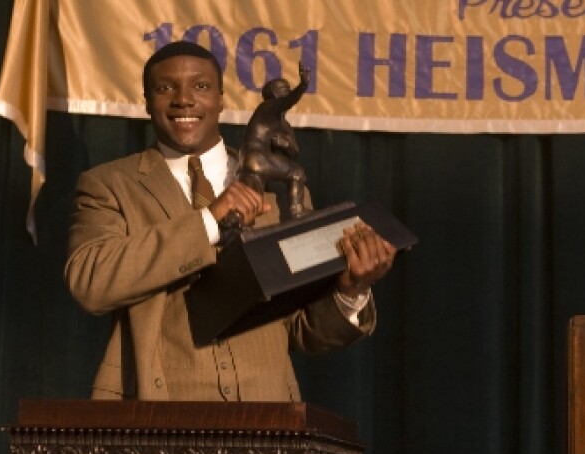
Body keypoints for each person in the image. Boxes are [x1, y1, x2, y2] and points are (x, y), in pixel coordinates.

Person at [64, 41, 396, 401]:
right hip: (153, 413)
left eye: (200, 86)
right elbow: (90, 281)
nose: (183, 99)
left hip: (268, 418)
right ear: (146, 101)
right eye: (165, 88)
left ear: (221, 99)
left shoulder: (280, 193)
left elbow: (303, 329)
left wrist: (351, 290)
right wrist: (209, 221)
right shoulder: (110, 184)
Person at [238, 62, 310, 219]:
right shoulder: (266, 107)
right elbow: (288, 100)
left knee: (252, 211)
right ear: (273, 94)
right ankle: (297, 210)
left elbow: (294, 153)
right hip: (256, 158)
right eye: (282, 88)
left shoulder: (284, 125)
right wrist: (303, 85)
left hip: (259, 162)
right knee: (296, 173)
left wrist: (286, 144)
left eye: (288, 88)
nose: (287, 90)